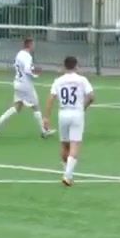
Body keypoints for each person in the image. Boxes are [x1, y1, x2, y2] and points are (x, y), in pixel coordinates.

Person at [44, 56, 95, 187]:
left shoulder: (58, 81)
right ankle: (67, 175)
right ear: (76, 66)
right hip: (77, 113)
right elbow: (91, 97)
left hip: (63, 113)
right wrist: (84, 106)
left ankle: (68, 173)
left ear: (64, 66)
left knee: (64, 144)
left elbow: (51, 98)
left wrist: (46, 117)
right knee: (75, 145)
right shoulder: (82, 80)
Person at [0, 38, 56, 138]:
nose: (34, 47)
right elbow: (27, 69)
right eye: (33, 45)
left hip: (17, 82)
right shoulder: (27, 56)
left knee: (17, 106)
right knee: (36, 106)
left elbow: (18, 67)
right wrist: (35, 73)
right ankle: (44, 131)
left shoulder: (19, 54)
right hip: (25, 85)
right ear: (30, 45)